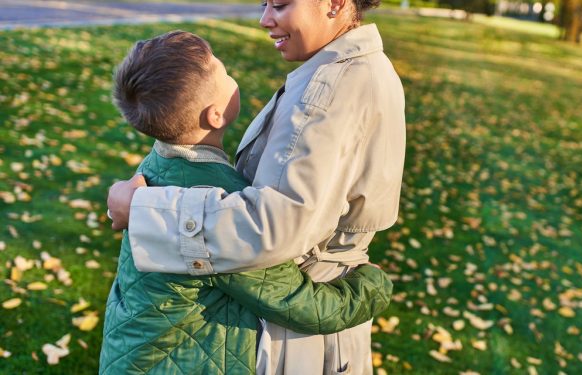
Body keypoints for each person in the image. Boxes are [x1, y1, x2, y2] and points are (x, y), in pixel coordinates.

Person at [107, 0, 405, 373]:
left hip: (304, 321)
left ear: (334, 2)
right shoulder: (336, 75)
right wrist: (370, 288)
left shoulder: (330, 91)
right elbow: (266, 253)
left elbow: (268, 228)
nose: (264, 19)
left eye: (280, 4)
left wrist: (143, 212)